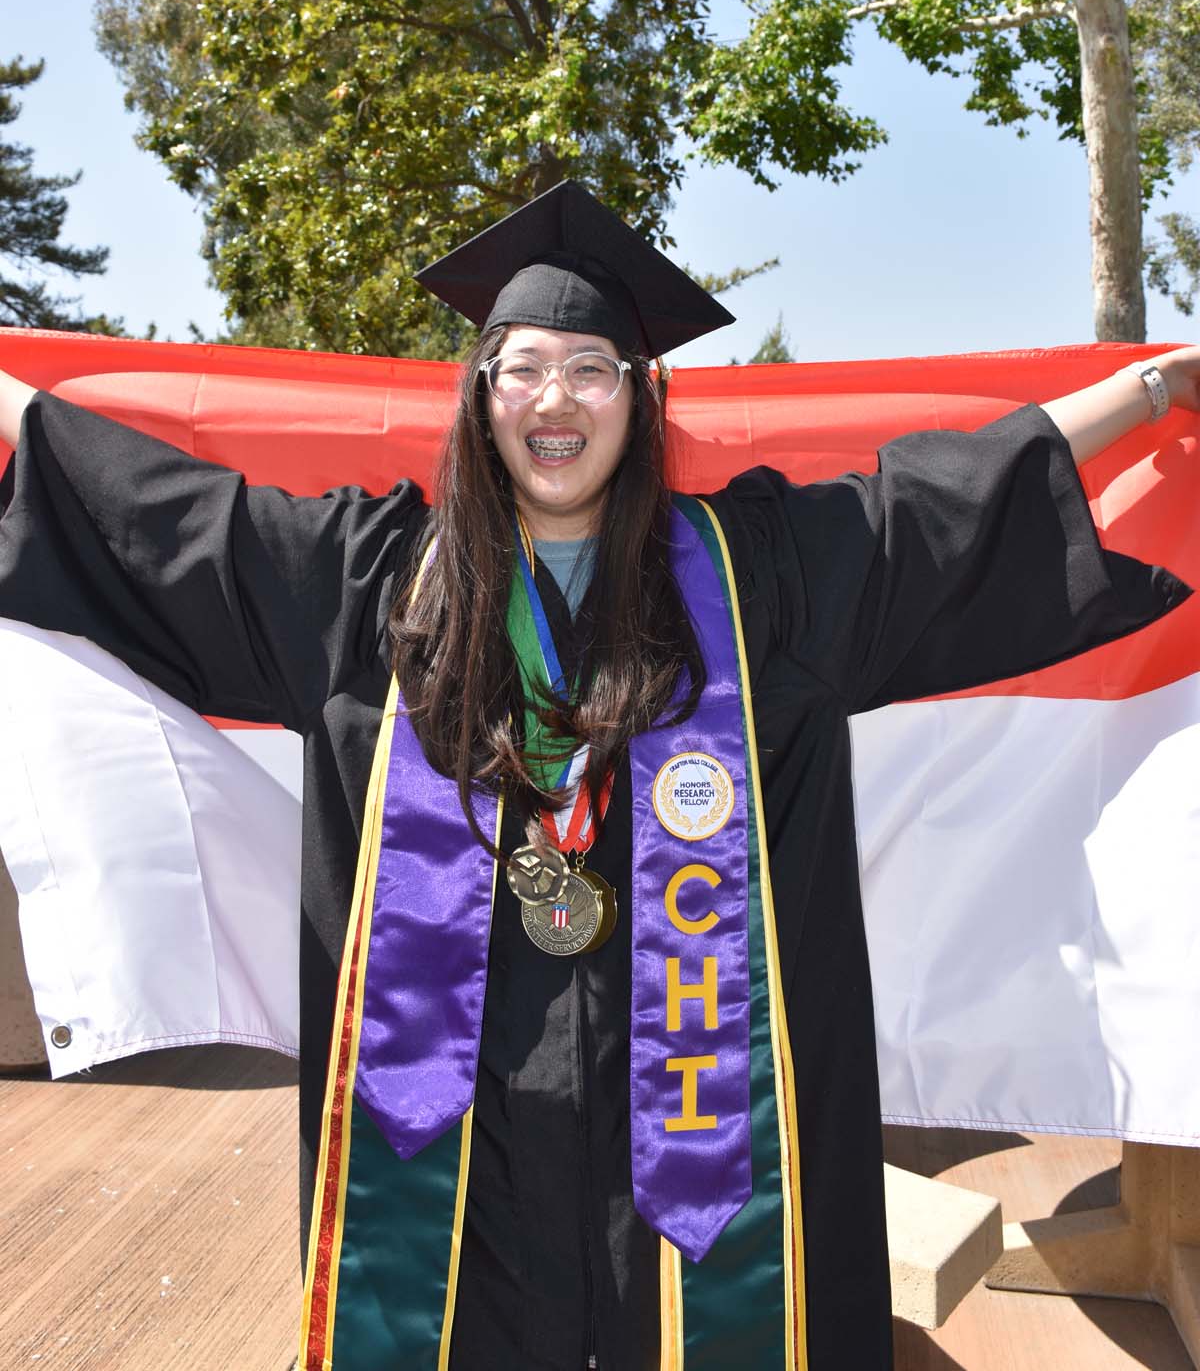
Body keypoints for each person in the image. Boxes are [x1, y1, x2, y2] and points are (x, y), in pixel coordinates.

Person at [0, 179, 1194, 1371]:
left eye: (591, 368)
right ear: (480, 395)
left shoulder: (753, 580)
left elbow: (943, 506)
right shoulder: (370, 585)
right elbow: (159, 516)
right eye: (521, 367)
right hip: (465, 1127)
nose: (553, 399)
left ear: (640, 397)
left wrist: (1152, 391)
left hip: (684, 1110)